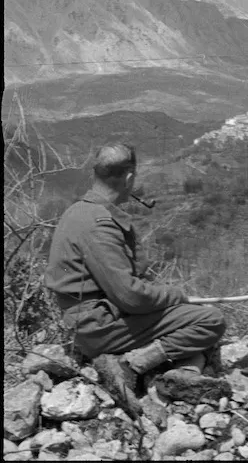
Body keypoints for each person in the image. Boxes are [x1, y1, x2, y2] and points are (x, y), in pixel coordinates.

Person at [45, 143, 227, 417]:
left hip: (91, 320)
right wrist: (174, 295)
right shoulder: (98, 223)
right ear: (129, 177)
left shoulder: (79, 212)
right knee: (210, 321)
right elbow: (129, 296)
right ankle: (131, 366)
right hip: (100, 326)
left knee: (192, 326)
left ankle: (182, 375)